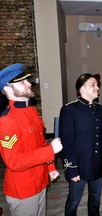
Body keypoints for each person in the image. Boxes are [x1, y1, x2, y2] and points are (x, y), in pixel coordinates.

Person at [0, 63, 63, 216]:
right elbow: (14, 162)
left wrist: (50, 168)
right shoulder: (7, 120)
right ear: (8, 89)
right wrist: (51, 151)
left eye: (27, 80)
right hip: (23, 190)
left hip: (40, 181)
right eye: (22, 82)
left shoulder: (32, 110)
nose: (29, 84)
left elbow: (39, 143)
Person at [59, 73, 102, 216]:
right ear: (81, 89)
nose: (97, 88)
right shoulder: (69, 109)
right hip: (78, 164)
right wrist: (71, 168)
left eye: (97, 85)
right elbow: (67, 142)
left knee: (95, 199)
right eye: (93, 85)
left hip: (96, 162)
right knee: (74, 201)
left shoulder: (101, 109)